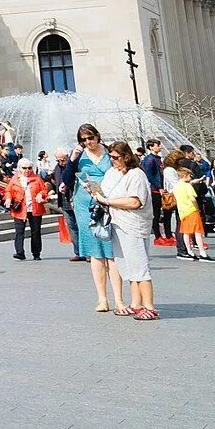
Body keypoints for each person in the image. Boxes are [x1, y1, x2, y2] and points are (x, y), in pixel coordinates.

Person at [92, 141, 157, 321]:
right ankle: (136, 303)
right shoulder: (112, 173)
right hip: (117, 223)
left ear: (126, 157)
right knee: (126, 265)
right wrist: (93, 191)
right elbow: (105, 192)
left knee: (139, 265)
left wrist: (107, 201)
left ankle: (149, 306)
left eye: (116, 157)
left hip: (133, 224)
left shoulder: (136, 175)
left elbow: (135, 202)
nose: (112, 161)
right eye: (110, 157)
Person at [71, 124, 117, 310]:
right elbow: (66, 179)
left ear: (98, 136)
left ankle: (119, 298)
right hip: (85, 204)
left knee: (112, 251)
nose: (87, 142)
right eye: (83, 140)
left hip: (108, 201)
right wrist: (72, 160)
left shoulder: (110, 152)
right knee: (95, 251)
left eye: (90, 138)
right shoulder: (78, 155)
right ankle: (102, 299)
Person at [3, 158, 49, 261]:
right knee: (19, 231)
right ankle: (20, 252)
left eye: (29, 168)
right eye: (24, 168)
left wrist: (40, 194)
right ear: (19, 168)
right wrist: (9, 198)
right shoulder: (14, 179)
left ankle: (36, 253)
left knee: (36, 232)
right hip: (20, 208)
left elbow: (44, 189)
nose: (27, 170)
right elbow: (8, 190)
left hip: (35, 207)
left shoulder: (37, 178)